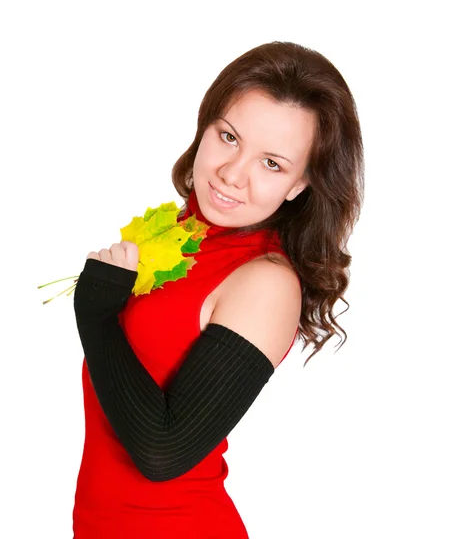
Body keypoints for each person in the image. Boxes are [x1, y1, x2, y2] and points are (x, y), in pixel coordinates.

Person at [72, 41, 364, 538]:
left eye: (272, 163)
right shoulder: (180, 233)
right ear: (204, 127)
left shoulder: (267, 281)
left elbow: (162, 454)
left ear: (300, 184)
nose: (232, 174)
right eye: (229, 137)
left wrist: (98, 318)